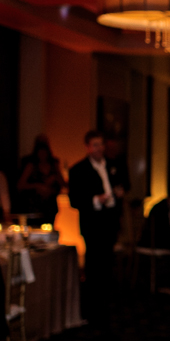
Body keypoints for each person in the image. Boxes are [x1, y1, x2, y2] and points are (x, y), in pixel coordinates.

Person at [68, 131, 125, 323]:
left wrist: (118, 194)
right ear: (87, 147)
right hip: (92, 224)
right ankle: (91, 308)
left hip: (110, 221)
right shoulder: (78, 170)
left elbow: (124, 183)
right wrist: (96, 200)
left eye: (101, 144)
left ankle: (106, 304)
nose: (99, 148)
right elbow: (74, 200)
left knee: (107, 264)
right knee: (93, 265)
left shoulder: (112, 165)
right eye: (95, 145)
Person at [17, 135, 65, 227]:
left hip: (50, 206)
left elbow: (63, 184)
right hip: (34, 206)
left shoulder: (53, 164)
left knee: (49, 230)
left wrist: (55, 177)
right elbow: (20, 185)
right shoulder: (31, 165)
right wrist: (38, 185)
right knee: (34, 230)